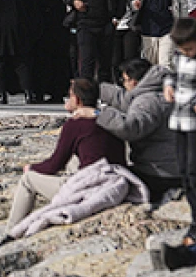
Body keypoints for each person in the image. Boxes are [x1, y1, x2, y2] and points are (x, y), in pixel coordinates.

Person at [1, 79, 126, 241]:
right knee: (75, 159)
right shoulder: (109, 119)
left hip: (92, 184)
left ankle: (11, 233)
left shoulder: (75, 124)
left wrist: (31, 168)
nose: (67, 99)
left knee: (27, 180)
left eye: (70, 95)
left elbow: (55, 165)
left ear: (78, 100)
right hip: (114, 177)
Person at [71, 58, 180, 204]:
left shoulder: (149, 101)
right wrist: (94, 88)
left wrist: (98, 114)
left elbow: (130, 128)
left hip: (159, 174)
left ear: (134, 82)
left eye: (124, 80)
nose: (123, 83)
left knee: (103, 179)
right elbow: (125, 100)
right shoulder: (159, 90)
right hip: (175, 167)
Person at [163, 17, 196, 245]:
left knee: (195, 172)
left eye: (190, 48)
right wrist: (168, 86)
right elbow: (172, 72)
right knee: (184, 172)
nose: (186, 53)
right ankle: (195, 220)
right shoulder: (180, 55)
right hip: (179, 121)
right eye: (182, 49)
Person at [63, 0, 128, 83]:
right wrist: (74, 1)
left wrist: (117, 17)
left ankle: (104, 94)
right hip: (85, 24)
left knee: (105, 63)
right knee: (87, 62)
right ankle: (86, 94)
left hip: (105, 24)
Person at [28, 0, 72, 104]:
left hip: (44, 34)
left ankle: (41, 92)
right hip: (58, 32)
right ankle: (57, 92)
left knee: (43, 64)